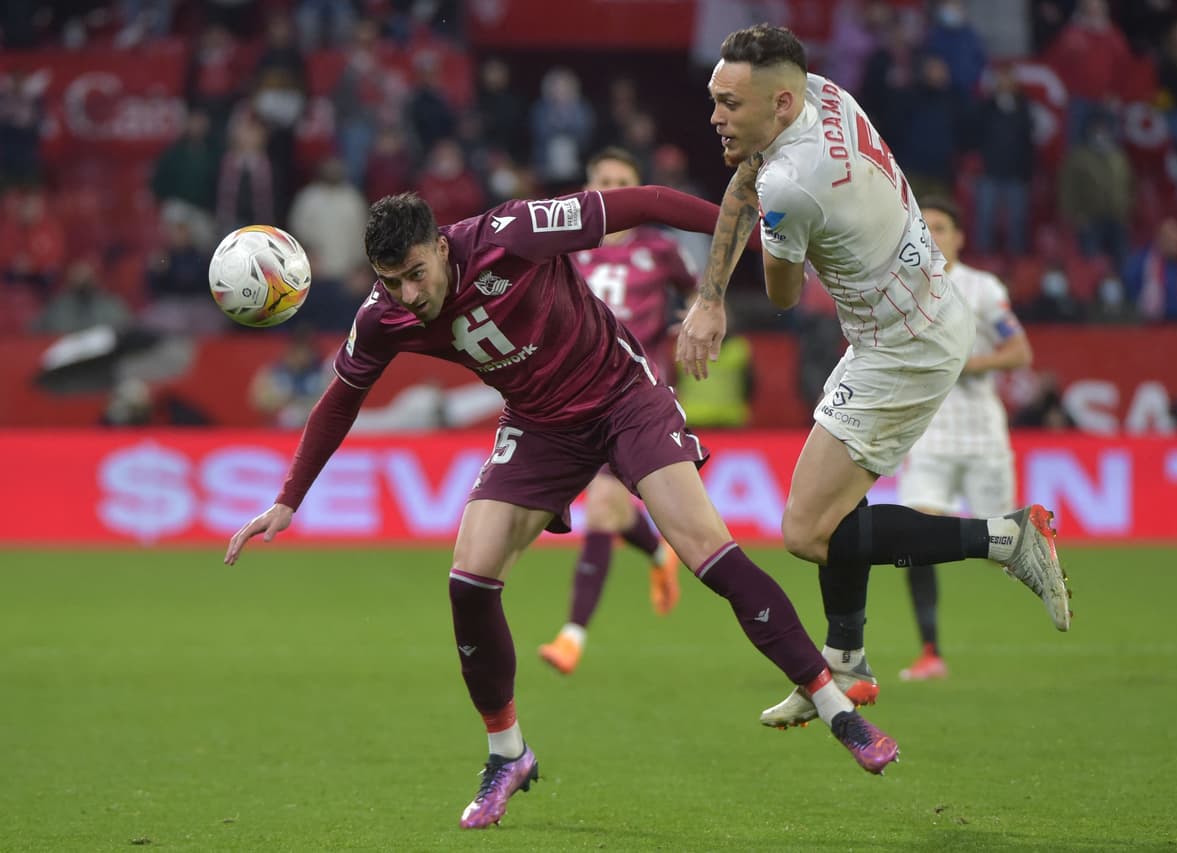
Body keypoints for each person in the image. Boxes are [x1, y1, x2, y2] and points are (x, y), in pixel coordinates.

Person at [224, 184, 901, 831]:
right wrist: (288, 498)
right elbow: (341, 398)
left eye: (415, 275)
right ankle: (508, 754)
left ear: (440, 246)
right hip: (540, 426)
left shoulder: (512, 234)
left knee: (708, 553)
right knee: (468, 578)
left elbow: (648, 203)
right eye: (390, 280)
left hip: (623, 400)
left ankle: (837, 709)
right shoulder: (382, 316)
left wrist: (762, 242)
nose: (407, 294)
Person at [676, 24, 1070, 733]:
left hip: (903, 349)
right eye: (715, 99)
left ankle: (1008, 538)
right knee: (839, 509)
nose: (715, 116)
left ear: (781, 102)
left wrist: (758, 255)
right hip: (909, 320)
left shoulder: (792, 186)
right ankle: (846, 660)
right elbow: (749, 175)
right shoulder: (824, 94)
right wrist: (709, 298)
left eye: (730, 104)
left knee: (806, 530)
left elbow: (784, 294)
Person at [536, 147, 692, 676]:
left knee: (603, 507)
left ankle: (571, 636)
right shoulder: (561, 246)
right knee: (614, 510)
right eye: (603, 179)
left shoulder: (661, 250)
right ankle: (658, 554)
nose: (611, 188)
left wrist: (696, 320)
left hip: (634, 399)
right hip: (572, 397)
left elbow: (702, 294)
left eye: (623, 180)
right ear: (586, 187)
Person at [896, 198, 1034, 681]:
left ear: (958, 237)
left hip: (981, 434)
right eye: (925, 227)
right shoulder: (900, 286)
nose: (932, 235)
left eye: (941, 227)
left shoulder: (983, 288)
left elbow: (1019, 352)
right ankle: (930, 651)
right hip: (928, 431)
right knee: (914, 536)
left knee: (1006, 549)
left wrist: (969, 365)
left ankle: (1036, 554)